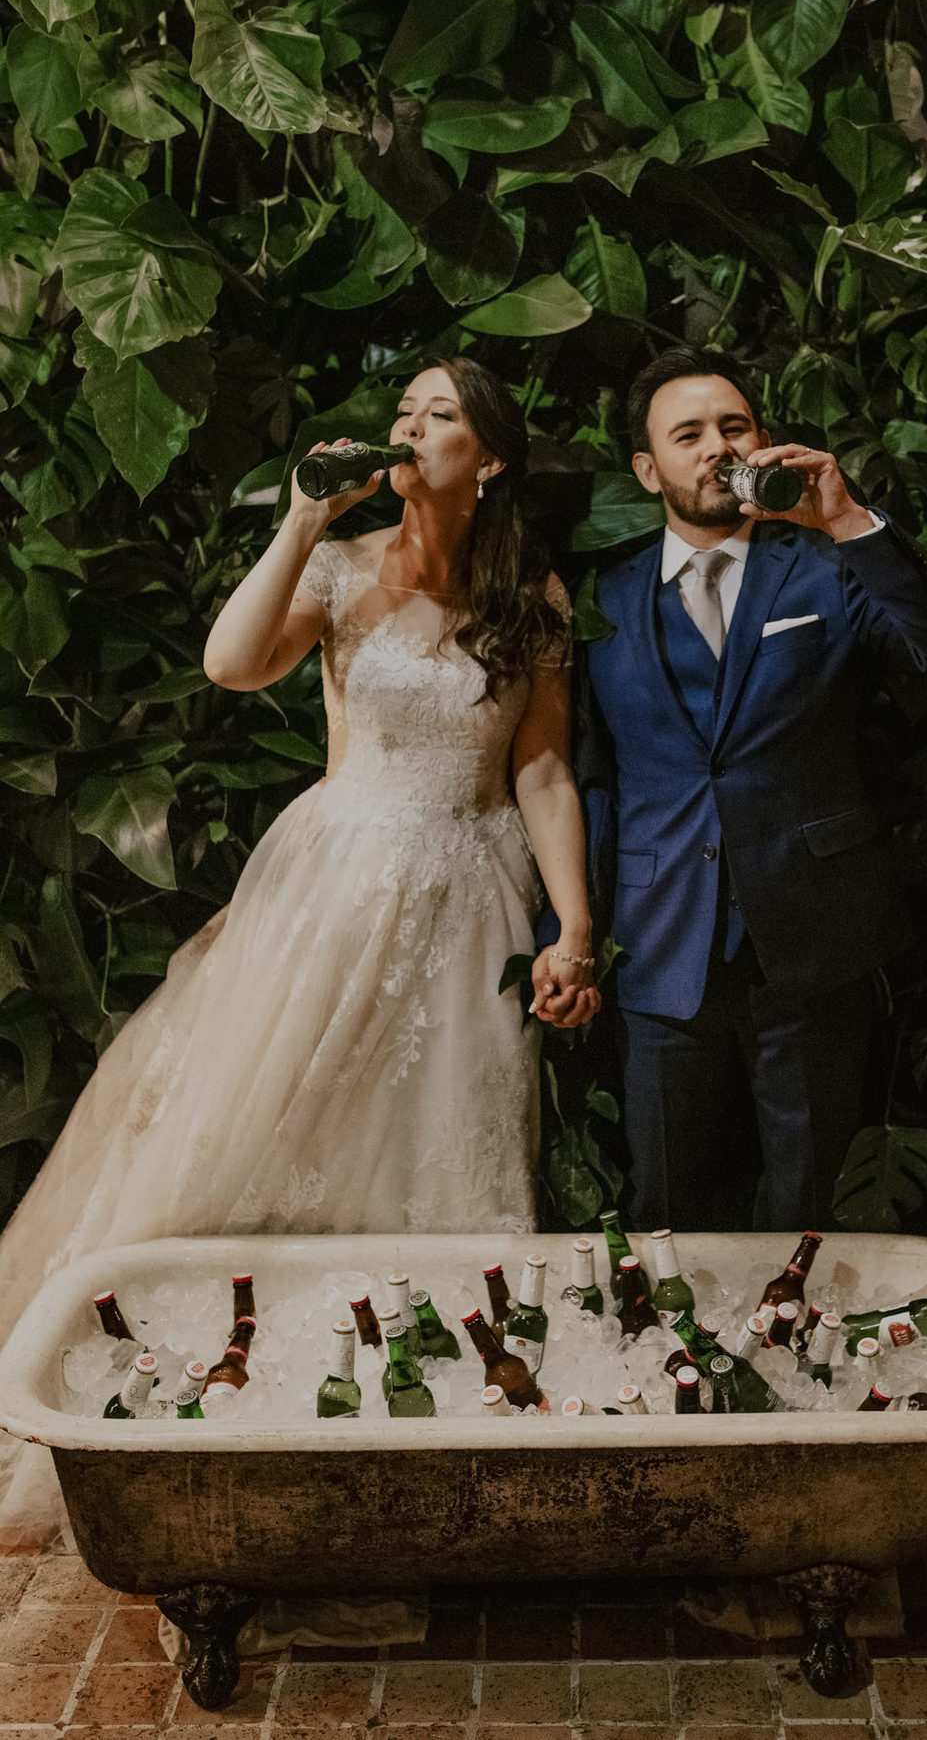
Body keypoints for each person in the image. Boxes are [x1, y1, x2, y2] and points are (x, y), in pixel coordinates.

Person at [0, 356, 597, 1543]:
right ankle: (215, 1407)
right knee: (253, 1128)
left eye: (441, 414)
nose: (410, 426)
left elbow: (538, 766)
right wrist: (299, 520)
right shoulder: (337, 566)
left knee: (434, 1148)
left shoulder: (535, 594)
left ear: (491, 458)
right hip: (332, 877)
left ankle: (423, 1444)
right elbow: (232, 662)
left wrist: (573, 926)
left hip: (468, 893)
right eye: (405, 409)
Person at [579, 346, 927, 1234]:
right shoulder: (602, 602)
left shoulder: (829, 568)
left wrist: (846, 522)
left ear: (762, 442)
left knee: (818, 1223)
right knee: (666, 1220)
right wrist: (570, 938)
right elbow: (591, 783)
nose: (714, 447)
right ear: (649, 469)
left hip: (816, 940)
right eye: (687, 434)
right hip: (659, 950)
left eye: (733, 426)